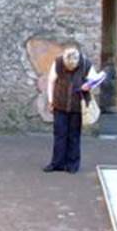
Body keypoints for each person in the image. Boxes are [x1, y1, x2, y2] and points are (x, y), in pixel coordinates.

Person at [43, 46, 99, 174]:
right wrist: (51, 100)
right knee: (59, 134)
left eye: (72, 68)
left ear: (77, 61)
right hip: (59, 104)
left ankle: (72, 165)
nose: (70, 69)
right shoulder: (58, 62)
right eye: (67, 67)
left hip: (78, 106)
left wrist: (88, 86)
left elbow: (96, 80)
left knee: (74, 135)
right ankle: (57, 163)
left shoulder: (86, 64)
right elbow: (51, 82)